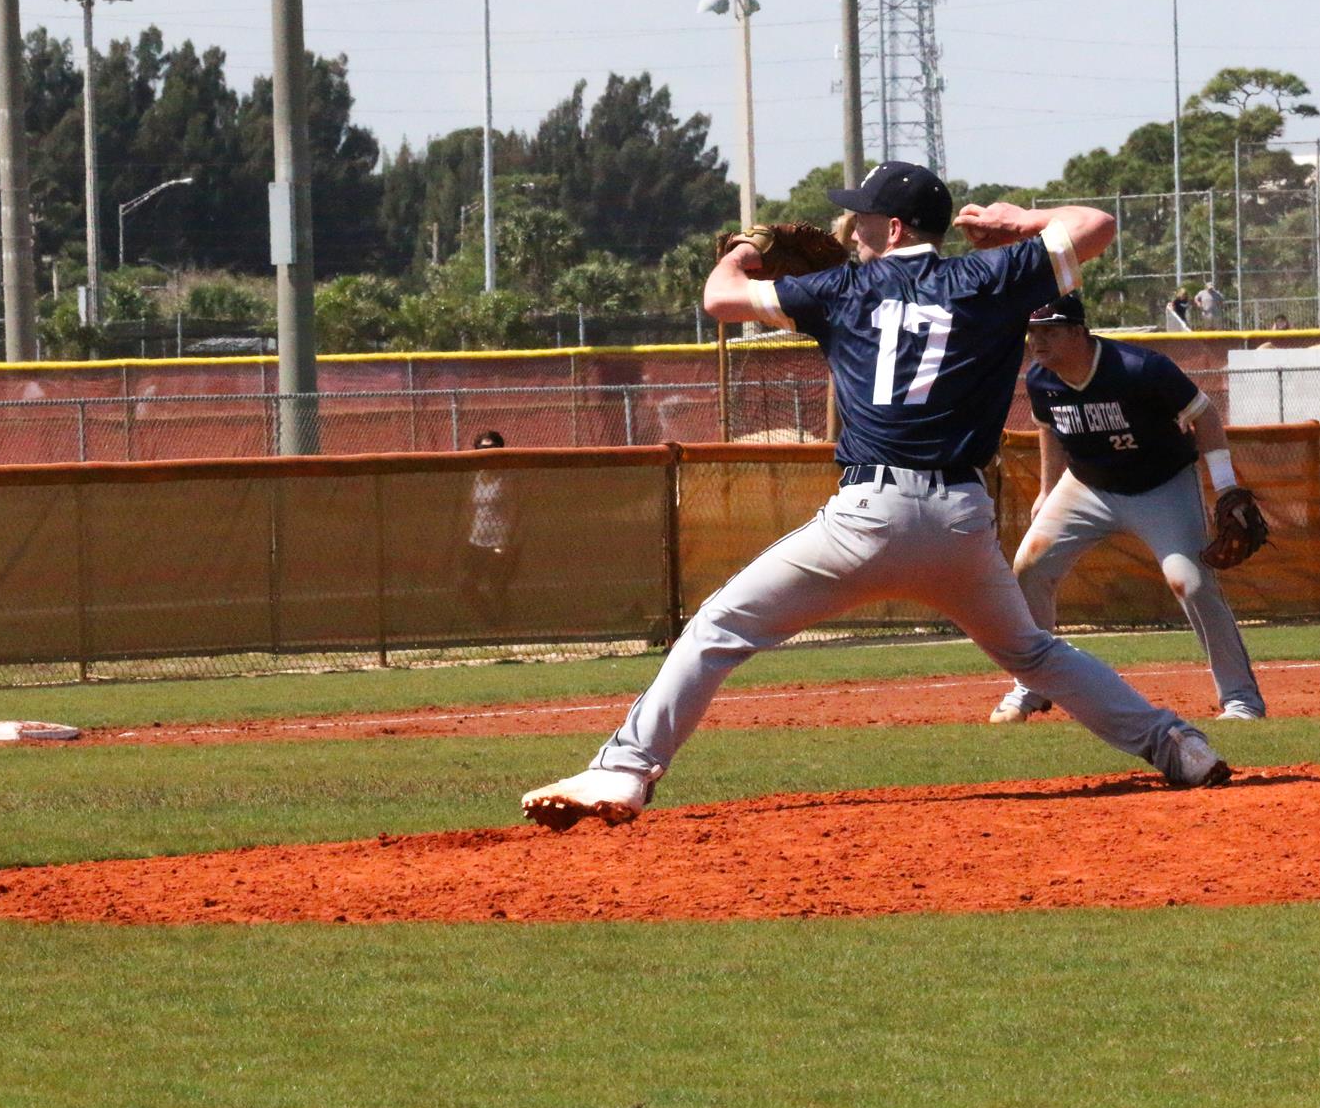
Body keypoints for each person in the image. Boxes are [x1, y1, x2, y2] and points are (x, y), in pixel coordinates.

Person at [521, 161, 1230, 830]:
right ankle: (1177, 746)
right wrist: (1018, 222)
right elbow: (1097, 223)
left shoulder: (840, 291)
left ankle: (623, 771)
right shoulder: (991, 276)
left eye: (863, 217)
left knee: (717, 628)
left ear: (893, 228)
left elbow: (718, 297)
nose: (851, 229)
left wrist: (746, 250)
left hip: (866, 517)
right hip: (959, 522)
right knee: (1033, 655)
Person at [989, 293, 1267, 726]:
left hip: (1161, 486)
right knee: (1029, 567)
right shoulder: (1042, 379)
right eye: (1033, 332)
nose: (1037, 342)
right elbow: (1050, 429)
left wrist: (1226, 484)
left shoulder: (1139, 368)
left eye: (1050, 331)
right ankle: (1031, 685)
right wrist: (1046, 489)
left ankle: (1242, 701)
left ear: (1078, 332)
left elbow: (1205, 415)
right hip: (1087, 486)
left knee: (1191, 583)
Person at [461, 429, 520, 624]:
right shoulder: (476, 478)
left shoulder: (506, 478)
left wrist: (506, 541)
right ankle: (490, 621)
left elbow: (513, 509)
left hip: (499, 540)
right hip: (477, 540)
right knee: (466, 584)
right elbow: (469, 508)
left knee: (496, 585)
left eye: (492, 448)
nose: (487, 452)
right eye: (482, 448)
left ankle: (504, 625)